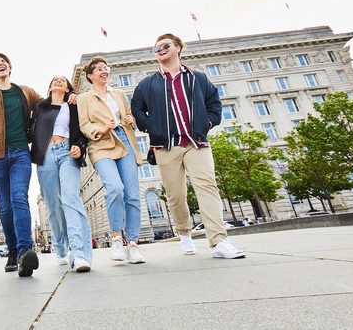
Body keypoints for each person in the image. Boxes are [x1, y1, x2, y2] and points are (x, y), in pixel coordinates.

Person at [130, 33, 245, 259]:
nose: (160, 50)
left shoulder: (197, 78)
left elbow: (214, 102)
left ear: (178, 48)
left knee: (207, 186)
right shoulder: (147, 84)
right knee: (176, 195)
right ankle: (184, 233)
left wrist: (209, 122)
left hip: (196, 142)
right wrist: (150, 126)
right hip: (165, 146)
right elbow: (136, 108)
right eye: (156, 48)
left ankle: (219, 241)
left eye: (165, 45)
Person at [0, 53, 44, 277]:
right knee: (5, 205)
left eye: (4, 62)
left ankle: (25, 251)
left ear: (10, 68)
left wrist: (67, 96)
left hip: (21, 151)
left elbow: (46, 106)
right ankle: (12, 251)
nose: (1, 64)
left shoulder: (24, 91)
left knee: (19, 197)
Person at [77, 56, 146, 264]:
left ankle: (132, 244)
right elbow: (84, 124)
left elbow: (128, 118)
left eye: (105, 68)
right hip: (101, 144)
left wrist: (130, 121)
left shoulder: (119, 93)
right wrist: (101, 129)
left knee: (133, 194)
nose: (104, 71)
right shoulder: (84, 99)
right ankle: (117, 237)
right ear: (90, 76)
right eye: (99, 69)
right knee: (115, 188)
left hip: (124, 141)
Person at [29, 76, 93, 272]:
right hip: (46, 154)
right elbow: (30, 130)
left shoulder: (74, 104)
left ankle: (79, 253)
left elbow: (82, 129)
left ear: (67, 88)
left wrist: (79, 146)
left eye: (62, 80)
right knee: (53, 205)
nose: (58, 81)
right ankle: (60, 247)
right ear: (50, 87)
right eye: (54, 80)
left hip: (67, 152)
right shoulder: (40, 106)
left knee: (70, 198)